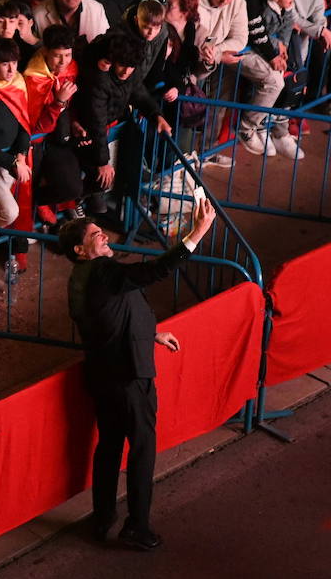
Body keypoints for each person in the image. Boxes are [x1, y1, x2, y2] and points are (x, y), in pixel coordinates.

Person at [58, 196, 217, 550]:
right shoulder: (102, 272)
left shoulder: (83, 278)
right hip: (129, 375)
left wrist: (152, 334)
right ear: (80, 250)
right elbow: (152, 271)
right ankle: (138, 525)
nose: (105, 238)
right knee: (142, 448)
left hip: (104, 374)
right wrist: (197, 232)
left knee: (110, 447)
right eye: (96, 235)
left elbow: (111, 318)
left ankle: (103, 519)